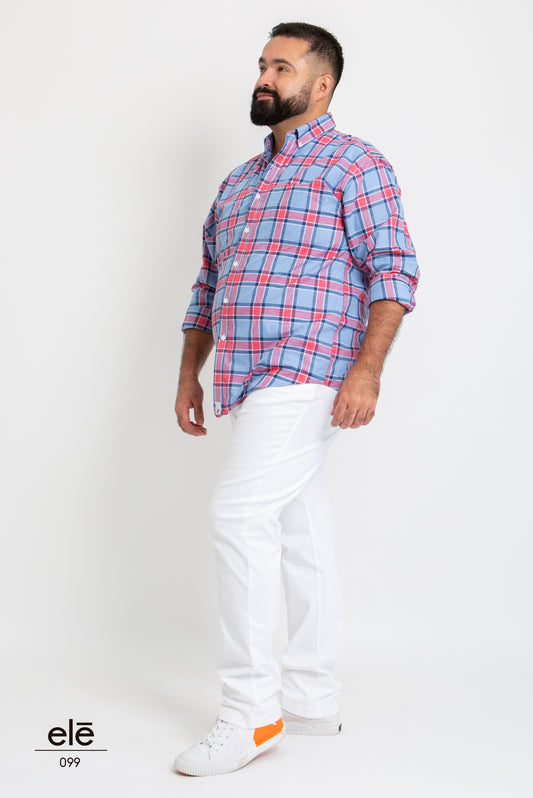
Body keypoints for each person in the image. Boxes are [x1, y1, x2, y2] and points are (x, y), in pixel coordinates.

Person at [173, 21, 420, 777]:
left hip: (309, 368)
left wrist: (367, 372)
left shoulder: (356, 164)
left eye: (281, 67)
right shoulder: (238, 183)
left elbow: (393, 270)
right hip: (245, 375)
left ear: (321, 84)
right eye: (261, 64)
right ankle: (311, 696)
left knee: (237, 514)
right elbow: (207, 286)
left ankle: (250, 712)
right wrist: (189, 374)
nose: (264, 77)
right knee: (298, 526)